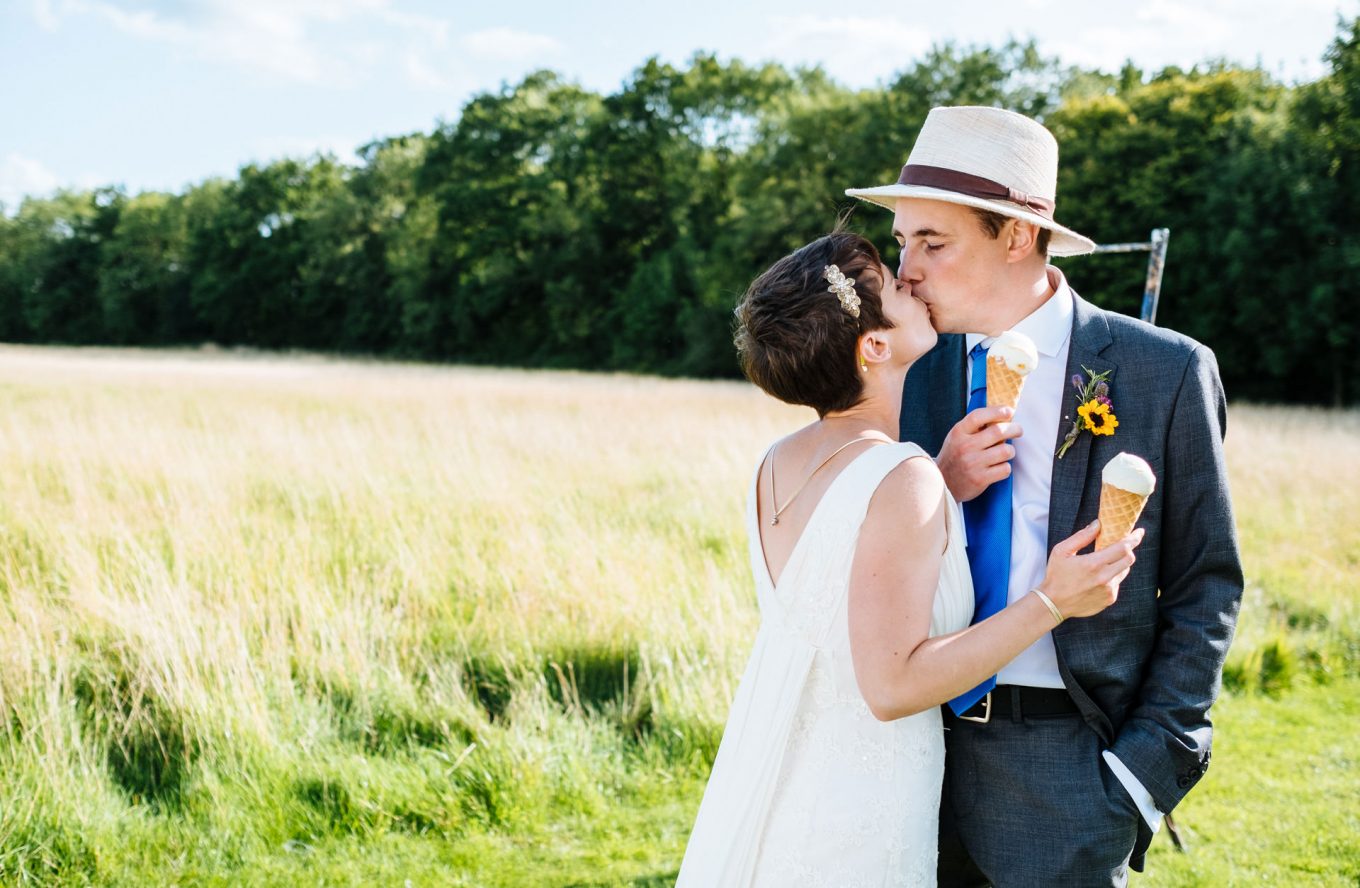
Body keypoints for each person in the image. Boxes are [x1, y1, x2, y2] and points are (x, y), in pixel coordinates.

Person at [844, 105, 1244, 886]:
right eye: (903, 242)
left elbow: (1206, 584)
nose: (908, 269)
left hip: (1071, 772)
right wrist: (940, 484)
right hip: (909, 758)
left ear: (1017, 235)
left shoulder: (1163, 370)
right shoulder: (906, 368)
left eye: (934, 240)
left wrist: (1141, 776)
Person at [675, 229, 1144, 887]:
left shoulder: (776, 462)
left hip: (790, 784)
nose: (910, 278)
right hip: (861, 808)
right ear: (875, 345)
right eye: (893, 285)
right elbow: (893, 686)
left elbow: (845, 586)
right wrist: (1051, 601)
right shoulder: (898, 474)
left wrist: (944, 489)